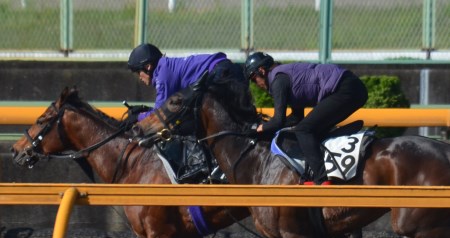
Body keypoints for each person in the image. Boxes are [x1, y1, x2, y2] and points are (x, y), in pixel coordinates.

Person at [244, 52, 368, 185]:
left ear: (261, 70)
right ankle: (322, 171)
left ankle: (322, 180)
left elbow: (278, 121)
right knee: (307, 129)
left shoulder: (278, 81)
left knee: (304, 130)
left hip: (345, 88)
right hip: (352, 87)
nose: (255, 84)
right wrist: (268, 126)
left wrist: (261, 128)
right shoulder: (283, 76)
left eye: (253, 78)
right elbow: (296, 118)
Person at [127, 43, 246, 121]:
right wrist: (146, 110)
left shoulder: (163, 75)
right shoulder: (164, 68)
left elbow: (160, 115)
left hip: (221, 74)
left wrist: (138, 117)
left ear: (148, 66)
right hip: (225, 69)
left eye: (138, 72)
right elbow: (167, 108)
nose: (139, 78)